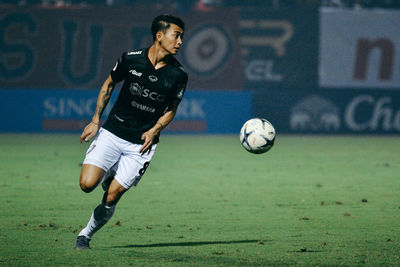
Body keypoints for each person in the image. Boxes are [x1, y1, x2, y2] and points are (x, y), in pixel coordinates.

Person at [74, 14, 187, 249]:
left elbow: (171, 109)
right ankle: (111, 173)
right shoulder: (131, 59)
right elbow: (109, 84)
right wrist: (95, 120)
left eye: (182, 37)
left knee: (112, 196)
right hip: (113, 132)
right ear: (159, 35)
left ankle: (85, 235)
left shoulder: (179, 75)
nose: (180, 42)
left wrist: (155, 129)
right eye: (176, 36)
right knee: (86, 185)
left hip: (141, 145)